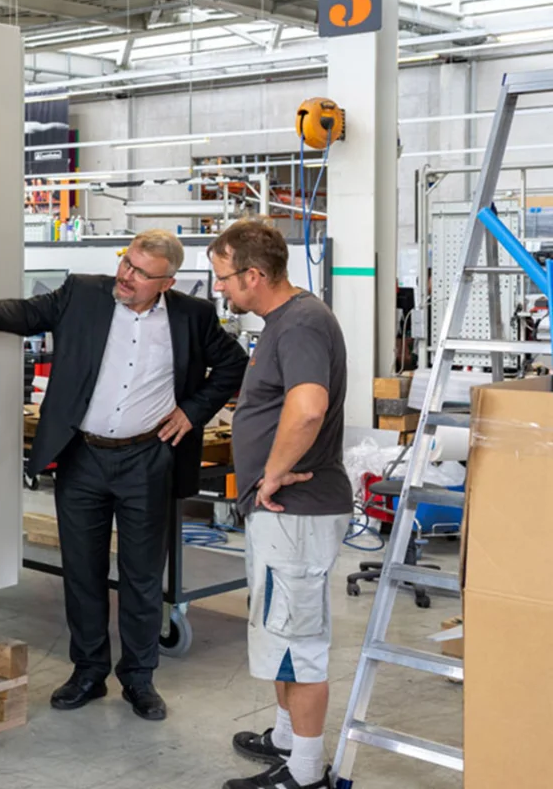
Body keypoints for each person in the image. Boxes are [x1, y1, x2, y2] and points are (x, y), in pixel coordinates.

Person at [0, 229, 248, 721]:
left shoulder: (194, 316)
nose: (125, 277)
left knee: (143, 576)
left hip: (148, 460)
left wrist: (192, 411)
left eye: (139, 273)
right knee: (82, 572)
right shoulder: (83, 292)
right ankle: (87, 672)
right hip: (82, 456)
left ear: (166, 282)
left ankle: (139, 679)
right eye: (126, 263)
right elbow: (30, 313)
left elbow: (234, 364)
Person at [209, 219, 352, 789]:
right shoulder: (282, 320)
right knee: (278, 629)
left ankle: (306, 773)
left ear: (254, 274)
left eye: (224, 278)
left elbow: (309, 406)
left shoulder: (300, 324)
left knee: (298, 642)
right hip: (281, 514)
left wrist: (268, 476)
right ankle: (286, 739)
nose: (220, 288)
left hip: (298, 510)